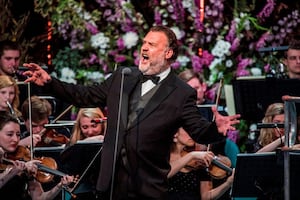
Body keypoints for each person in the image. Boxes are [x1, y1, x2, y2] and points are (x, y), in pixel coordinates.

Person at [22, 25, 240, 199]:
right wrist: (50, 83)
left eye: (152, 44)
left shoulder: (181, 93)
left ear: (168, 53)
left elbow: (198, 130)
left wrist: (216, 129)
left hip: (148, 186)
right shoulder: (123, 76)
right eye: (144, 42)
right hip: (110, 184)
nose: (144, 48)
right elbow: (85, 95)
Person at [0, 111, 75, 199]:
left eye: (18, 135)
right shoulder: (16, 167)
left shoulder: (20, 158)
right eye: (9, 134)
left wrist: (59, 186)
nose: (16, 139)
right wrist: (13, 172)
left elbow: (39, 198)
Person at [168, 127, 234, 200]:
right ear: (175, 134)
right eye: (187, 130)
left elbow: (206, 197)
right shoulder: (163, 155)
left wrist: (228, 183)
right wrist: (192, 155)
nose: (192, 134)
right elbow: (166, 174)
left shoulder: (200, 161)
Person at [59, 107, 107, 199]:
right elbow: (66, 162)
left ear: (102, 125)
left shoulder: (112, 141)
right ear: (79, 127)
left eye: (94, 126)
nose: (90, 131)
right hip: (82, 193)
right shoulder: (73, 144)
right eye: (85, 127)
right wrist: (88, 141)